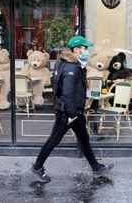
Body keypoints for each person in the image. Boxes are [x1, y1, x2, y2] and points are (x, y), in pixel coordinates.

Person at [30, 36, 114, 183]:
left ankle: (96, 168)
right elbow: (67, 93)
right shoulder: (71, 68)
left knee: (84, 139)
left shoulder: (65, 64)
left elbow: (59, 87)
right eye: (84, 48)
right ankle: (37, 167)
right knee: (53, 140)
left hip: (74, 111)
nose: (86, 51)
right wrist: (73, 114)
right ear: (76, 50)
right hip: (68, 112)